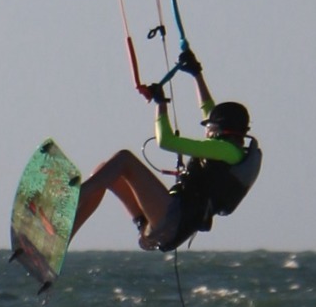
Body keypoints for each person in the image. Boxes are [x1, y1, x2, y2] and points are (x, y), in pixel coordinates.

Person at [70, 49, 260, 252]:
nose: (207, 131)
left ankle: (71, 196)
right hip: (163, 222)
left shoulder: (224, 150)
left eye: (210, 128)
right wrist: (196, 74)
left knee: (124, 160)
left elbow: (166, 141)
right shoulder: (232, 151)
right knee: (104, 171)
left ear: (221, 130)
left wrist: (161, 105)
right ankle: (66, 236)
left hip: (172, 221)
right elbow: (208, 108)